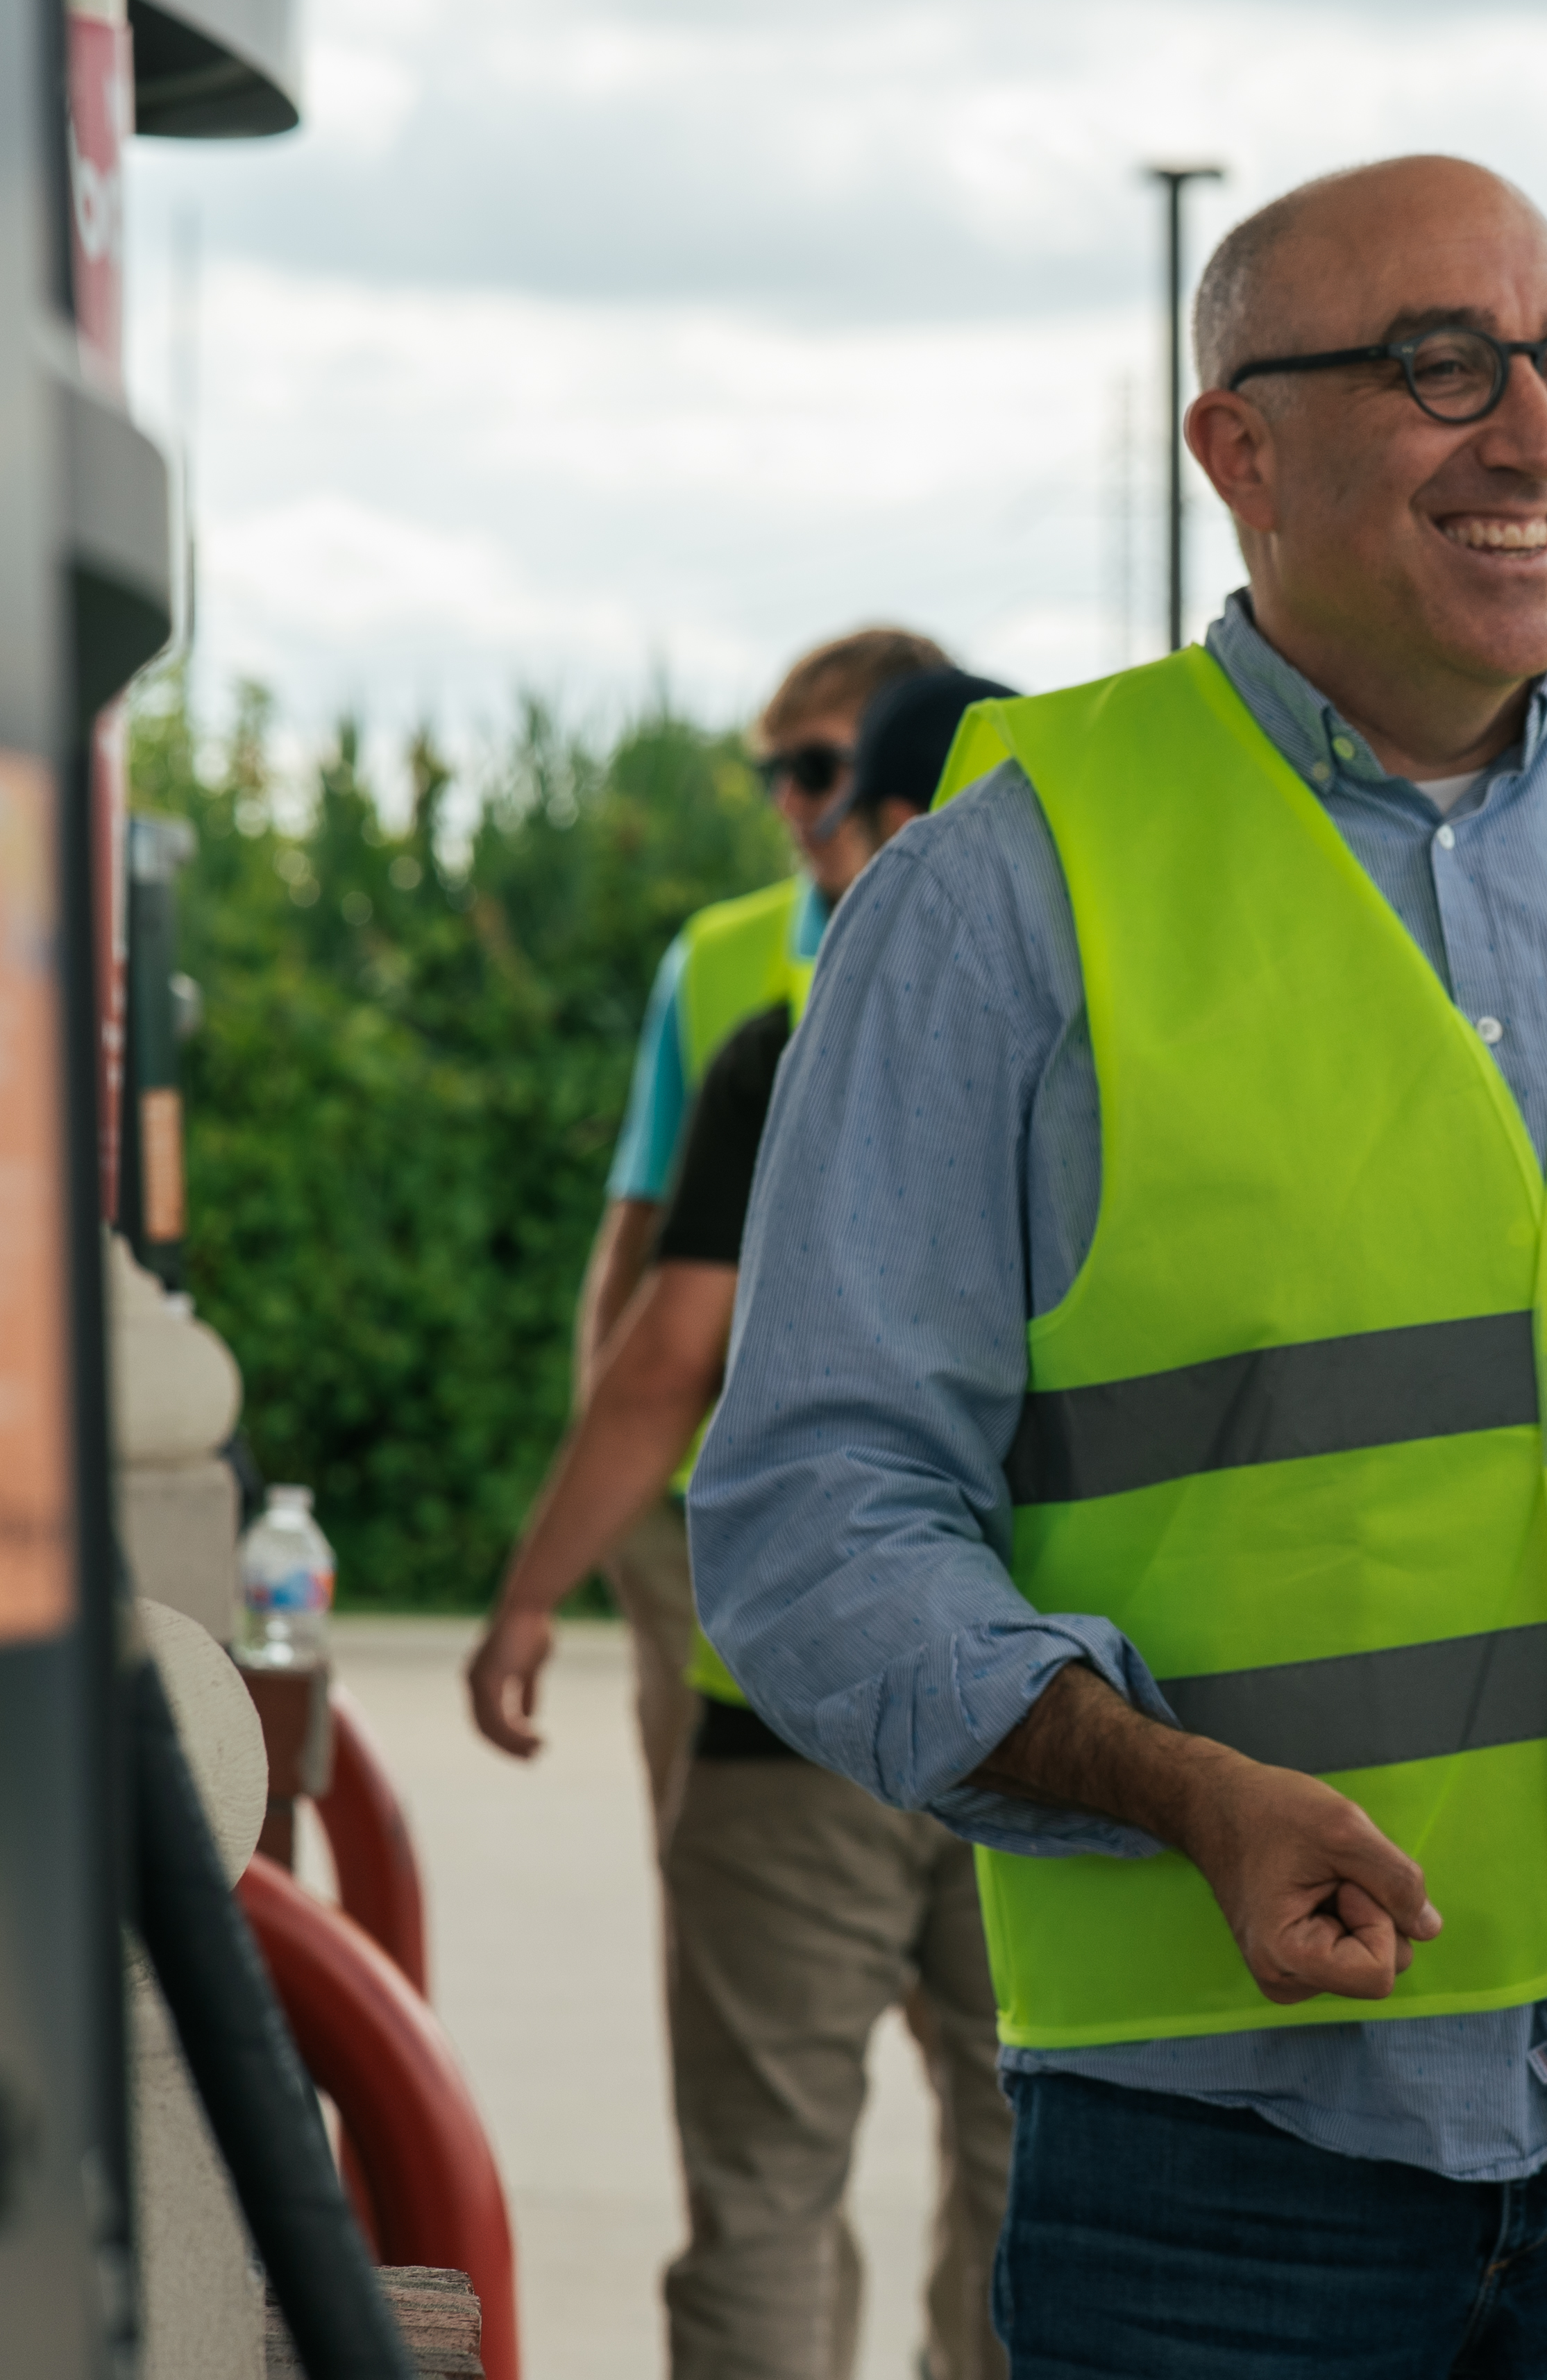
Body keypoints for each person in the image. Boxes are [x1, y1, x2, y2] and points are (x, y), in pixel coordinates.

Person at [688, 154, 1547, 2379]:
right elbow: (810, 1520)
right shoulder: (1006, 894)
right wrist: (1171, 1785)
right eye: (1440, 366)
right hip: (1213, 2171)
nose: (1535, 436)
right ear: (1234, 450)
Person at [468, 668, 1022, 2380]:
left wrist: (525, 1597)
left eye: (835, 794)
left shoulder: (790, 1031)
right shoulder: (1155, 1028)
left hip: (799, 1707)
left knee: (768, 2185)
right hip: (1063, 1724)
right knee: (1033, 2186)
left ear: (890, 825)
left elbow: (664, 1361)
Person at [579, 625, 949, 1830]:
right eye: (774, 773)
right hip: (713, 1506)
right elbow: (638, 1227)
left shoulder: (1015, 937)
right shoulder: (721, 959)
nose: (794, 802)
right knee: (730, 1866)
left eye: (821, 766)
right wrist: (612, 1464)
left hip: (937, 1498)